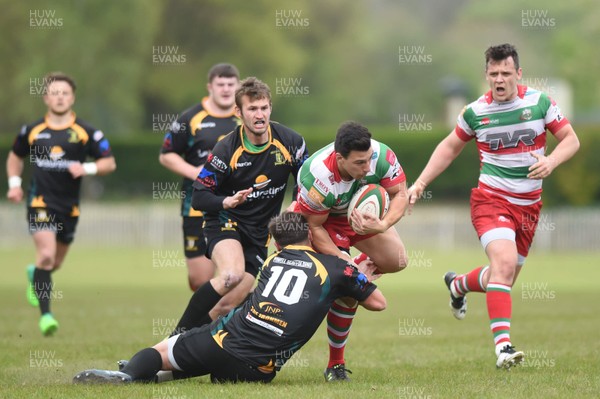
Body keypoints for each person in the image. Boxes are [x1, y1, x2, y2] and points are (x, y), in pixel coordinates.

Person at [407, 43, 580, 369]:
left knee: (504, 278)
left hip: (529, 207)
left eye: (505, 73)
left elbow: (571, 138)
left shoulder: (540, 102)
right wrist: (420, 184)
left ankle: (458, 284)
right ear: (486, 75)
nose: (499, 80)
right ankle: (503, 348)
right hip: (491, 200)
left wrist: (552, 161)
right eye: (493, 74)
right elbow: (449, 147)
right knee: (502, 263)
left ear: (518, 74)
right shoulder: (475, 112)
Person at [73, 212, 385, 384]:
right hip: (257, 371)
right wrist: (360, 278)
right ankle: (151, 378)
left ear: (277, 245)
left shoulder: (271, 262)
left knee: (165, 349)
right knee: (214, 362)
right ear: (311, 237)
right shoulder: (335, 269)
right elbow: (378, 303)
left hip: (223, 341)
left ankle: (129, 376)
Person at [164, 76, 308, 336]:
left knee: (224, 306)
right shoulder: (226, 149)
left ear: (270, 109)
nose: (259, 114)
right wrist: (225, 201)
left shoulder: (291, 142)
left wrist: (295, 205)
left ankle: (185, 352)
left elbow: (306, 180)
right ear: (238, 112)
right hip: (225, 222)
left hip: (259, 234)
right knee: (232, 275)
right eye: (252, 109)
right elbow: (199, 196)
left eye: (264, 108)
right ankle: (173, 339)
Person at [293, 121, 409, 381]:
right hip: (325, 222)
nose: (367, 168)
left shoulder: (381, 156)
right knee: (348, 291)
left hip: (360, 217)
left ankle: (356, 265)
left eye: (368, 160)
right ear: (339, 158)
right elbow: (314, 227)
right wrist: (343, 259)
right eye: (359, 163)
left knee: (398, 260)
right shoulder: (317, 176)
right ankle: (335, 364)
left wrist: (383, 224)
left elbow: (400, 194)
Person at [5, 72, 116, 336]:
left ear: (72, 97)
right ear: (46, 97)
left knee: (53, 263)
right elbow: (14, 156)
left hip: (69, 207)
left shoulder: (86, 132)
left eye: (65, 93)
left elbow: (109, 163)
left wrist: (87, 167)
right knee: (45, 255)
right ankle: (46, 317)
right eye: (54, 93)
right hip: (39, 202)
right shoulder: (32, 130)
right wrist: (14, 184)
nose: (60, 97)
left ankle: (35, 273)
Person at [159, 63, 241, 291]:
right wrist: (196, 173)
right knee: (199, 279)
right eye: (220, 84)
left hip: (238, 206)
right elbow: (167, 155)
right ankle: (209, 318)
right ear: (210, 87)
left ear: (238, 86)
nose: (225, 89)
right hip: (197, 205)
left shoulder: (245, 116)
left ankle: (225, 324)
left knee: (234, 276)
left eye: (230, 84)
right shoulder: (191, 118)